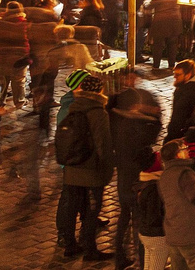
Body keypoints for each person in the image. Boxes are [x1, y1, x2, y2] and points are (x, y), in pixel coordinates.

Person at [56, 69, 114, 259]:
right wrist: (107, 168)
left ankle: (70, 245)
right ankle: (89, 249)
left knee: (72, 207)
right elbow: (103, 143)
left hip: (72, 167)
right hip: (90, 170)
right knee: (91, 210)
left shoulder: (73, 107)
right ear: (98, 91)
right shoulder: (98, 111)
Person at [110, 68, 163, 270]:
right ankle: (133, 259)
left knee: (130, 214)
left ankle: (132, 259)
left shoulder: (145, 98)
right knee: (133, 215)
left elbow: (157, 124)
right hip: (132, 169)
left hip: (129, 166)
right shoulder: (117, 102)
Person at [158, 139, 195, 270]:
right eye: (185, 148)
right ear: (177, 155)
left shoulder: (165, 175)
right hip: (193, 234)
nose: (188, 150)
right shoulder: (184, 173)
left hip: (175, 235)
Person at [135, 155, 169, 270]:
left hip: (146, 232)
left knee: (149, 266)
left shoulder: (144, 182)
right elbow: (154, 216)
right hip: (156, 236)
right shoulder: (154, 188)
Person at [166, 60, 195, 142]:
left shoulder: (189, 92)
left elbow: (178, 117)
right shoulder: (186, 86)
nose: (175, 77)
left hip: (188, 135)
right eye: (174, 74)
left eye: (178, 74)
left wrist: (171, 137)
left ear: (188, 75)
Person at [145, 0, 185, 69]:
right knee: (172, 44)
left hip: (161, 23)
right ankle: (171, 65)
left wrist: (146, 2)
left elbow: (149, 5)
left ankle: (156, 65)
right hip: (175, 22)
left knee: (158, 45)